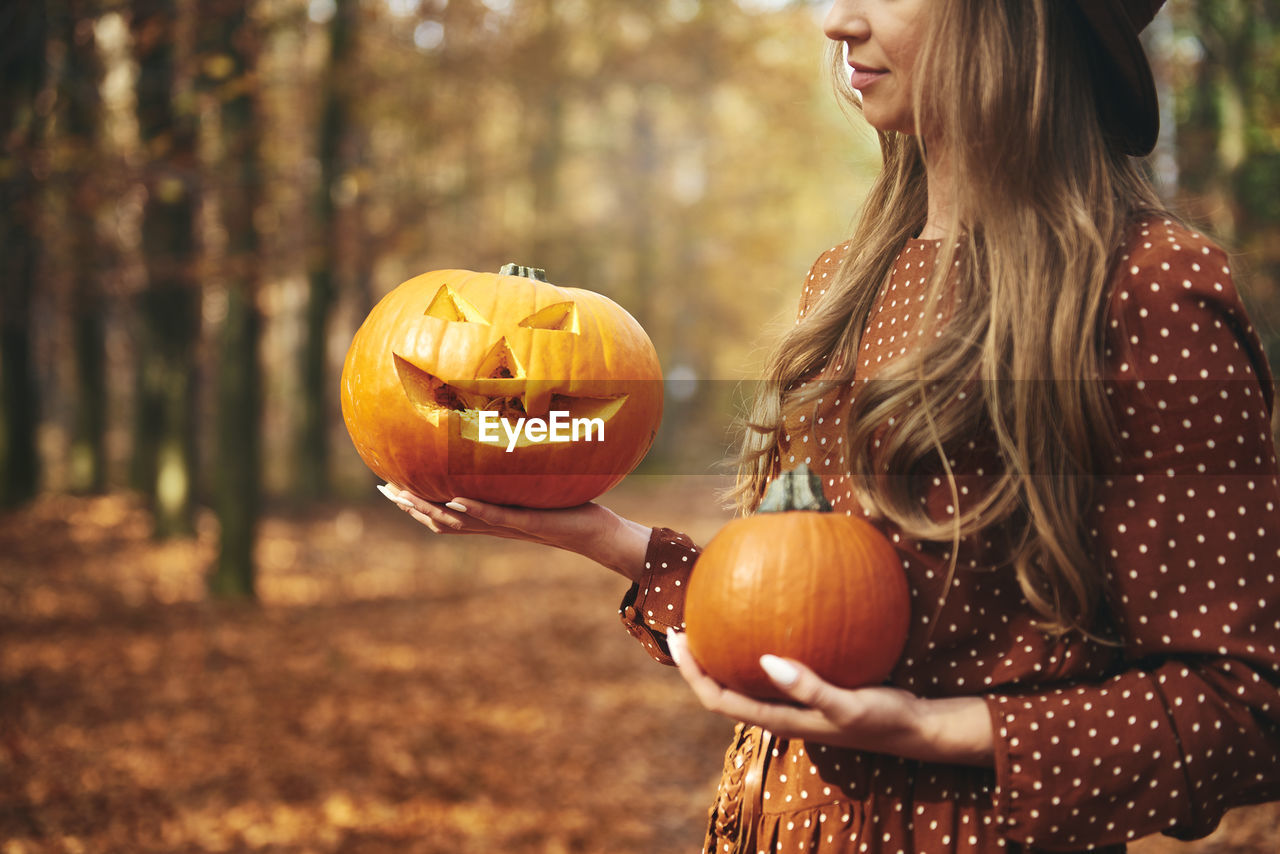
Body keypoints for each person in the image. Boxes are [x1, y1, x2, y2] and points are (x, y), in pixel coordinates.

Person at [378, 0, 1280, 851]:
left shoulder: (1145, 290)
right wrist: (606, 540)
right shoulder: (847, 282)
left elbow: (1248, 707)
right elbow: (807, 607)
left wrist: (934, 730)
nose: (836, 21)